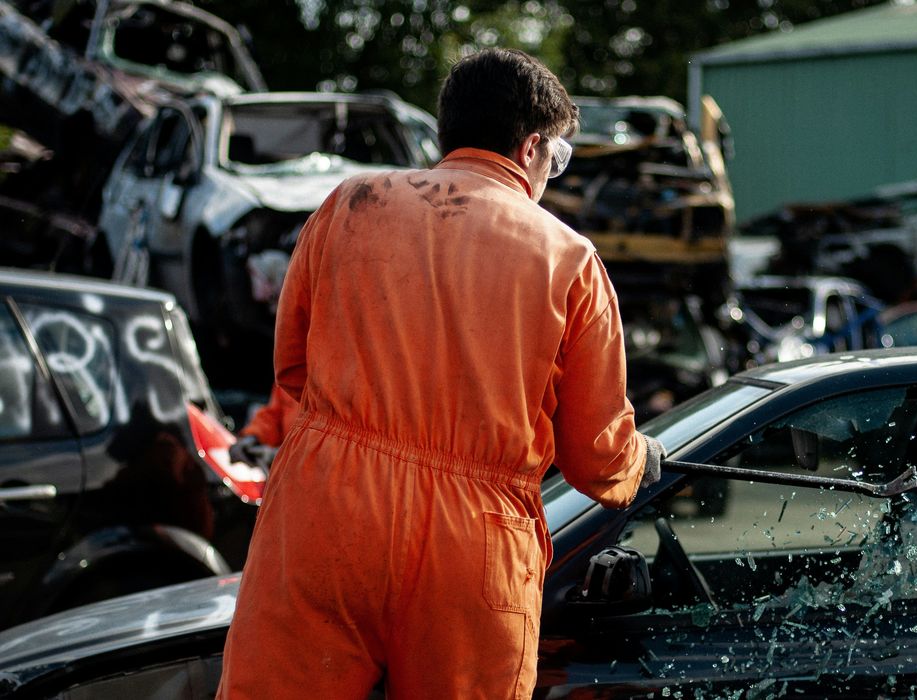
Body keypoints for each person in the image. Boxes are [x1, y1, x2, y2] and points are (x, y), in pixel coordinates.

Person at [217, 48, 663, 699]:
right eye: (559, 159)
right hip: (472, 547)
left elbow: (292, 370)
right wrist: (638, 463)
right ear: (532, 146)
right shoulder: (567, 258)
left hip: (325, 516)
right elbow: (594, 453)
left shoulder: (352, 203)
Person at [227, 382, 299, 469]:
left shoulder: (317, 376)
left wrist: (281, 456)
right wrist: (253, 437)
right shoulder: (290, 375)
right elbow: (273, 414)